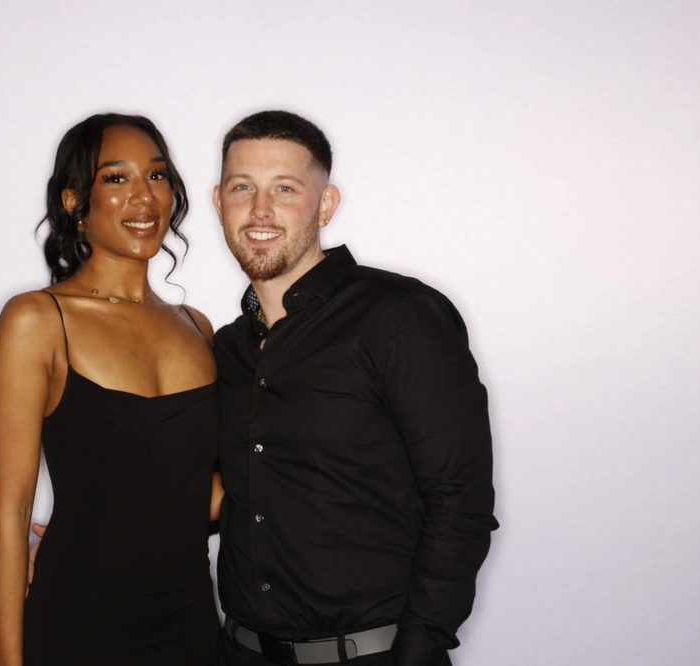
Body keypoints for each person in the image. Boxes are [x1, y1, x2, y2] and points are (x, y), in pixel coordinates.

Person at [210, 111, 498, 666]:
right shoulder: (227, 349)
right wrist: (89, 532)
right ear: (220, 202)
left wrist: (417, 652)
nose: (261, 210)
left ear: (325, 205)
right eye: (242, 187)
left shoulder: (398, 317)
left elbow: (460, 501)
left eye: (285, 188)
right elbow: (221, 493)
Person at [0, 113, 223, 666]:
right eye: (116, 179)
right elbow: (10, 513)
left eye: (158, 176)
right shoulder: (37, 321)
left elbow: (204, 493)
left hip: (192, 628)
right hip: (77, 626)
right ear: (74, 201)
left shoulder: (199, 327)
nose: (145, 197)